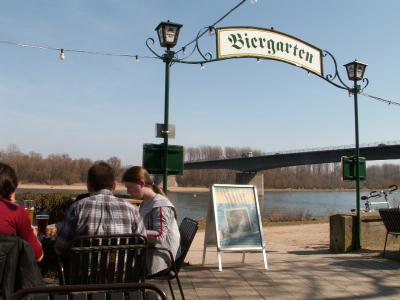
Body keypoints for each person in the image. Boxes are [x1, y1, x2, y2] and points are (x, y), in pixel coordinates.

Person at [54, 161, 146, 255]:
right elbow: (142, 245)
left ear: (89, 186)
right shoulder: (132, 210)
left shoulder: (77, 208)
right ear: (114, 186)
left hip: (84, 269)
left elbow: (60, 248)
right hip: (124, 268)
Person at [122, 166, 180, 276]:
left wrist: (133, 233)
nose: (128, 192)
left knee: (118, 266)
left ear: (141, 183)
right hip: (151, 253)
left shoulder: (160, 205)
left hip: (161, 260)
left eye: (129, 187)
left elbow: (159, 236)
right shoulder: (147, 202)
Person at [0, 162, 43, 262]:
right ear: (12, 187)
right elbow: (38, 256)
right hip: (7, 276)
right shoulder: (16, 212)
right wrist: (34, 235)